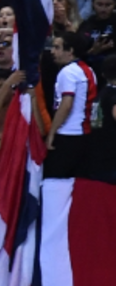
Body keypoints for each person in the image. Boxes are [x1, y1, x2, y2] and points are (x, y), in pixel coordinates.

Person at [46, 32, 94, 179]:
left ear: (70, 50)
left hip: (68, 135)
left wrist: (52, 133)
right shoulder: (88, 70)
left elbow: (66, 104)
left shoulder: (67, 72)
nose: (52, 52)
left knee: (55, 181)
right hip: (84, 134)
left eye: (57, 47)